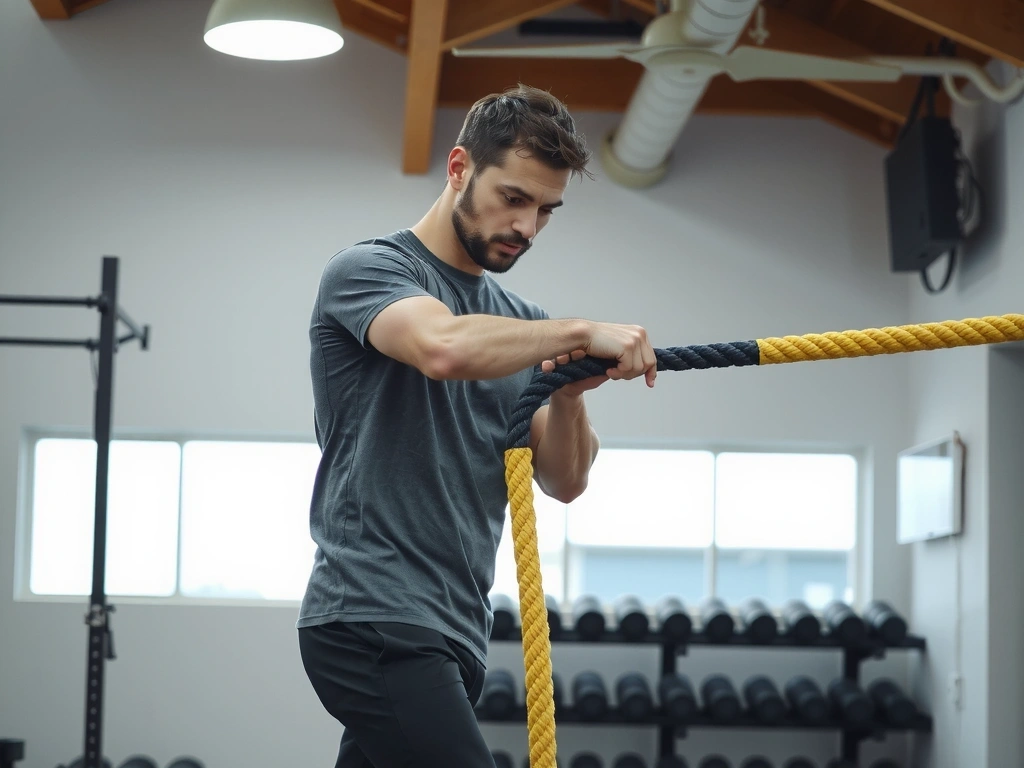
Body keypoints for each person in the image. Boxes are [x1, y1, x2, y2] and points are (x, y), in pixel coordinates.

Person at [296, 83, 658, 768]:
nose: (528, 226)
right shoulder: (370, 270)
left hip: (457, 627)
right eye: (513, 198)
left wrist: (571, 395)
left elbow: (565, 480)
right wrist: (579, 331)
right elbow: (442, 349)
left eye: (545, 210)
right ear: (459, 167)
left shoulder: (521, 321)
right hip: (374, 615)